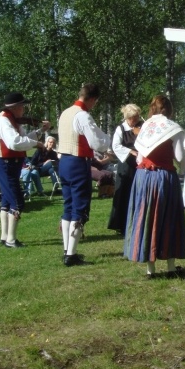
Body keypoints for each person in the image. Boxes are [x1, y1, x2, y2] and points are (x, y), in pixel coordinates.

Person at [124, 94, 185, 278]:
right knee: (168, 218)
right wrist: (184, 169)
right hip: (164, 178)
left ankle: (150, 270)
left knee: (148, 218)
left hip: (143, 177)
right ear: (169, 108)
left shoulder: (145, 127)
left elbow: (140, 157)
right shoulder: (173, 128)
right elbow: (180, 156)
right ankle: (170, 268)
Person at [58, 83, 110, 266]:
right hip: (77, 162)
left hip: (63, 161)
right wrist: (108, 141)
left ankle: (67, 249)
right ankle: (71, 254)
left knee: (68, 206)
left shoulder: (65, 112)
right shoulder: (83, 116)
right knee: (79, 208)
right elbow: (96, 142)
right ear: (93, 99)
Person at [0, 92, 50, 247]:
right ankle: (10, 239)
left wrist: (40, 132)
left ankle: (5, 237)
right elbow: (14, 143)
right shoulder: (4, 120)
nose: (24, 109)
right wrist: (36, 144)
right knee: (17, 202)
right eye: (22, 106)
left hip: (10, 163)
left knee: (6, 200)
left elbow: (24, 138)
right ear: (15, 107)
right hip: (5, 163)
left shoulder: (12, 120)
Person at [107, 103, 142, 234]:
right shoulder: (121, 128)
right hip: (126, 165)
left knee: (138, 192)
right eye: (134, 118)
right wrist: (130, 152)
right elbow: (115, 146)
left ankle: (136, 222)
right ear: (128, 117)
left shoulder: (142, 127)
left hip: (139, 165)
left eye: (137, 117)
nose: (136, 120)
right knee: (123, 193)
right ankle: (120, 224)